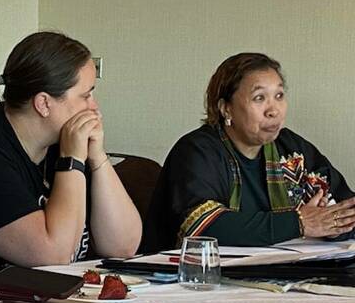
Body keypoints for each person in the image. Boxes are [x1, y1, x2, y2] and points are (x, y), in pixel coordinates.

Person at [0, 31, 141, 275]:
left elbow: (123, 246)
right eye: (86, 95)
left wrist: (98, 158)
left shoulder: (65, 144)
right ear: (44, 104)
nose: (94, 106)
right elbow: (52, 256)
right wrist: (71, 162)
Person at [145, 52, 355, 251]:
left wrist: (331, 227)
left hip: (283, 276)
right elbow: (203, 227)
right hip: (187, 281)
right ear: (226, 108)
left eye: (279, 95)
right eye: (259, 98)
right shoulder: (197, 151)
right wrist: (299, 223)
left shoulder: (292, 149)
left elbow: (347, 210)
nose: (273, 110)